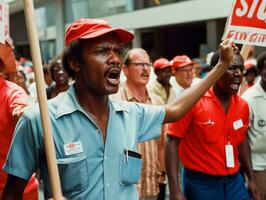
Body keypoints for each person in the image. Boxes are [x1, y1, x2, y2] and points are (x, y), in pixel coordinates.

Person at [2, 18, 237, 200]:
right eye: (102, 51)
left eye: (118, 51)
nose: (115, 59)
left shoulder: (131, 114)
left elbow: (175, 110)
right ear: (75, 64)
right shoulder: (40, 119)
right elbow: (12, 193)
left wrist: (221, 67)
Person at [165, 50, 260, 200]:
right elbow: (171, 142)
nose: (238, 73)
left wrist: (252, 179)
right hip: (201, 183)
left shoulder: (242, 106)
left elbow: (241, 141)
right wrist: (175, 190)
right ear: (215, 71)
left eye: (241, 69)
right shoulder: (192, 102)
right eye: (231, 67)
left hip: (234, 181)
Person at [111, 48, 166, 200]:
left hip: (151, 187)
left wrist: (162, 174)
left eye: (148, 64)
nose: (145, 69)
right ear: (125, 69)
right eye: (139, 64)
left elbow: (161, 144)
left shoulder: (157, 102)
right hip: (123, 188)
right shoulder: (114, 101)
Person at [0, 40, 39, 199]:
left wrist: (21, 112)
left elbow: (22, 108)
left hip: (18, 191)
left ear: (0, 67)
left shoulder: (12, 92)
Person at [242, 51, 266, 200]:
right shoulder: (248, 98)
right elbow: (242, 136)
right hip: (258, 165)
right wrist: (250, 177)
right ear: (261, 72)